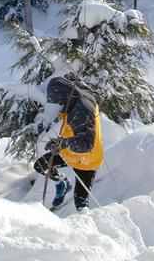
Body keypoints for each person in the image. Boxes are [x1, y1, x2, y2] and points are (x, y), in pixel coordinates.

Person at [34, 76, 103, 211]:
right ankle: (62, 183)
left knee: (81, 204)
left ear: (65, 96)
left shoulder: (80, 111)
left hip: (87, 160)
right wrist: (60, 143)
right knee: (41, 165)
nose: (58, 105)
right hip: (72, 152)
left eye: (59, 101)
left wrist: (63, 144)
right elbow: (96, 97)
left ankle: (88, 227)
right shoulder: (80, 97)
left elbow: (87, 143)